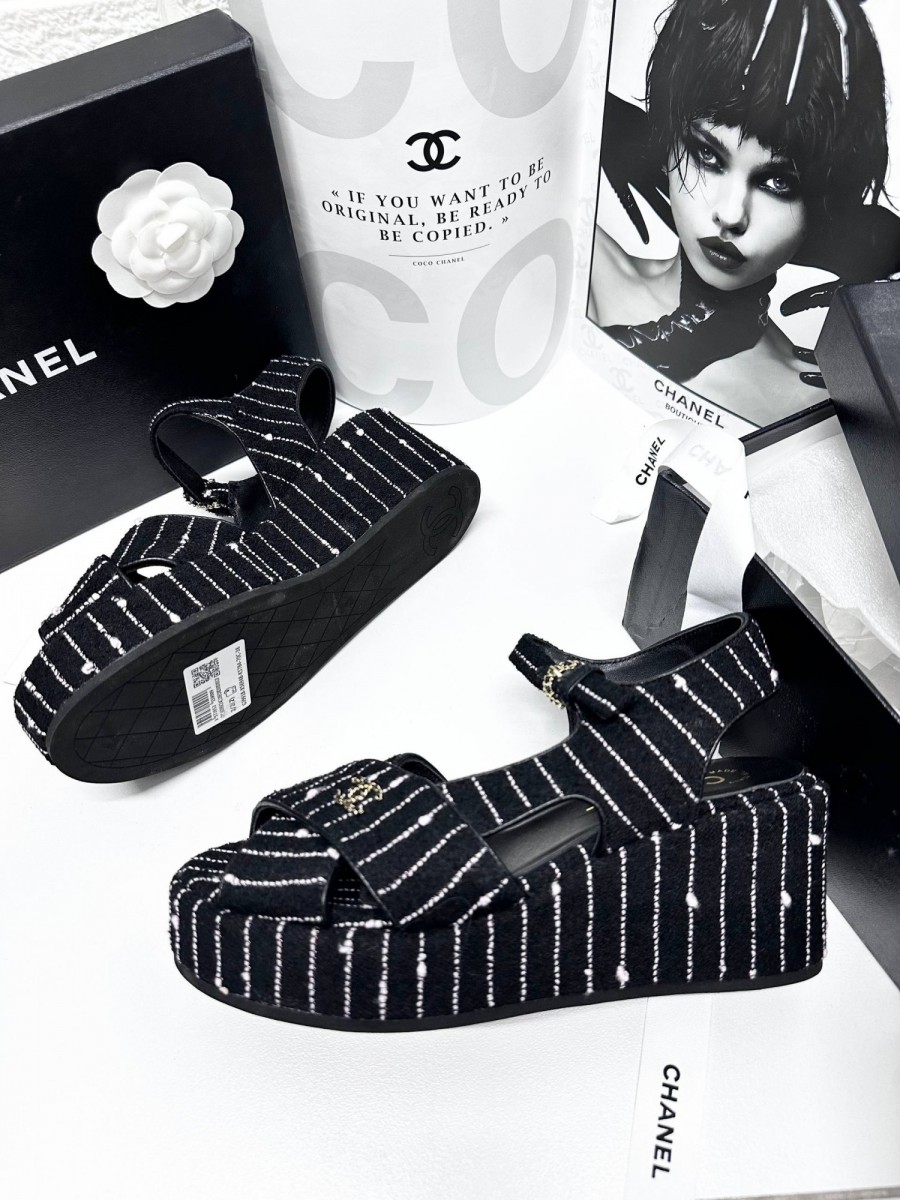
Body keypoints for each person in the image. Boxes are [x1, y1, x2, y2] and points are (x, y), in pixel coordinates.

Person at [588, 0, 891, 425]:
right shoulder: (579, 267)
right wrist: (592, 118)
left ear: (824, 206)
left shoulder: (815, 406)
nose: (730, 215)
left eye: (778, 183)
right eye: (707, 155)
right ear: (666, 138)